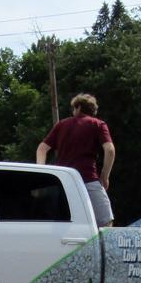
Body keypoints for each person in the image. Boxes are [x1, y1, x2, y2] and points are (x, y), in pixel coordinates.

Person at [36, 93, 116, 227]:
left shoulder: (62, 125)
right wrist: (104, 176)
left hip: (62, 181)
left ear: (78, 107)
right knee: (105, 222)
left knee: (62, 223)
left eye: (73, 108)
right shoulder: (98, 124)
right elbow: (110, 150)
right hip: (88, 179)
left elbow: (42, 149)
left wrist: (42, 172)